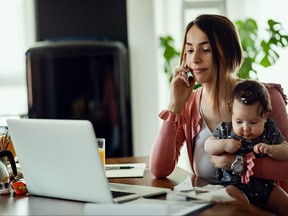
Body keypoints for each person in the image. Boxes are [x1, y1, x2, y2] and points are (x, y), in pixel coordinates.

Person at [149, 14, 288, 205]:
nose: (195, 59)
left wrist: (236, 163)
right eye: (189, 50)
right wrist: (175, 104)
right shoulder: (189, 103)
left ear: (228, 52)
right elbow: (159, 169)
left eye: (205, 49)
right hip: (211, 208)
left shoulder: (265, 97)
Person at [204, 80, 288, 215]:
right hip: (234, 187)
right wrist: (223, 144)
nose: (246, 128)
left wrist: (273, 150)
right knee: (236, 205)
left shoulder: (269, 130)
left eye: (253, 122)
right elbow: (208, 145)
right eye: (239, 121)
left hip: (267, 189)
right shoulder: (226, 130)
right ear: (231, 114)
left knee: (284, 202)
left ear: (265, 116)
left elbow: (286, 150)